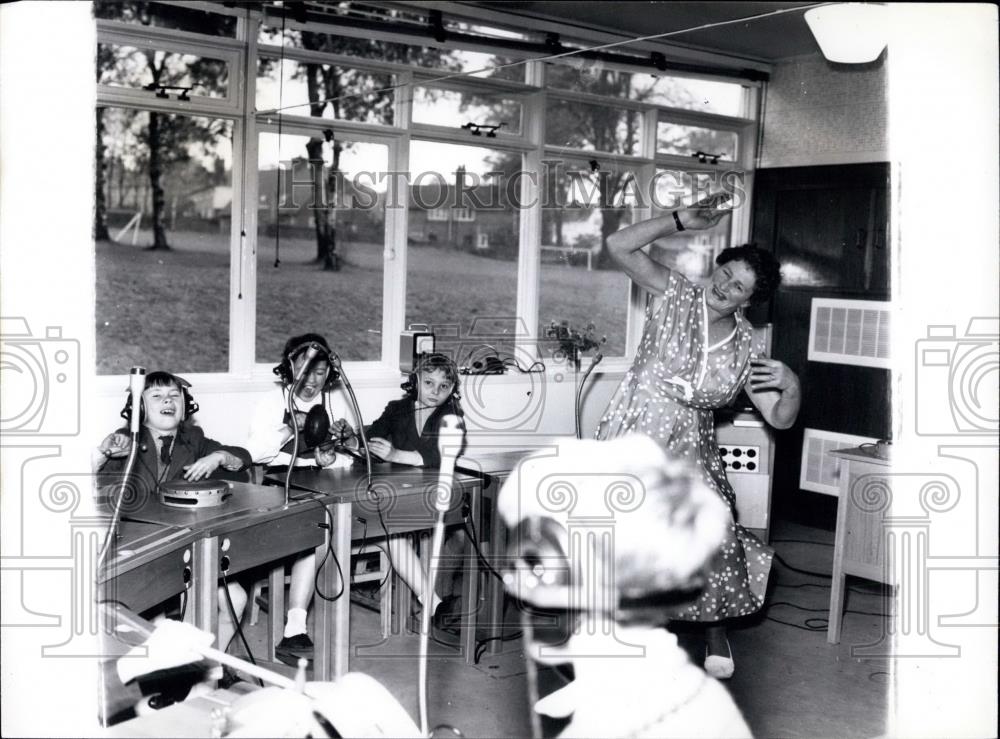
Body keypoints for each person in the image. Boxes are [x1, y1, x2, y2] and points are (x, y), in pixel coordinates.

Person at [595, 193, 801, 679]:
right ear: (717, 267)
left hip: (691, 449)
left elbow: (781, 418)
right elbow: (617, 244)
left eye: (740, 288)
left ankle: (714, 630)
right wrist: (678, 221)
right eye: (726, 274)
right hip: (633, 435)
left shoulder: (749, 345)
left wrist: (792, 386)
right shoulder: (675, 293)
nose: (726, 287)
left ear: (751, 302)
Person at [94, 371, 253, 655]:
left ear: (185, 406)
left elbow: (240, 456)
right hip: (140, 548)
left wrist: (218, 456)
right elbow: (90, 481)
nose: (168, 400)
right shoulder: (124, 440)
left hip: (188, 545)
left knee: (236, 600)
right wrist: (105, 452)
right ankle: (181, 673)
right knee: (159, 619)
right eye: (156, 396)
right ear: (139, 408)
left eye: (174, 395)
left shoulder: (193, 438)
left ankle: (209, 666)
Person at [245, 333, 355, 663]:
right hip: (275, 487)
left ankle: (294, 626)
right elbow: (256, 454)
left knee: (327, 524)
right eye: (305, 371)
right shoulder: (272, 400)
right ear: (290, 367)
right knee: (317, 531)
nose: (311, 381)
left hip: (318, 487)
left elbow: (346, 460)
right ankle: (295, 627)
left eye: (320, 372)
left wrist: (331, 455)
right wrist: (292, 426)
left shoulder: (331, 403)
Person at [364, 352, 468, 640]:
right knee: (390, 533)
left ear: (451, 390)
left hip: (430, 495)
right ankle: (434, 604)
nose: (435, 391)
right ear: (415, 381)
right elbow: (373, 436)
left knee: (393, 534)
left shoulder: (451, 415)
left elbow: (442, 453)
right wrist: (357, 440)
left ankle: (432, 605)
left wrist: (396, 454)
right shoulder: (397, 409)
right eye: (429, 382)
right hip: (393, 495)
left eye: (443, 386)